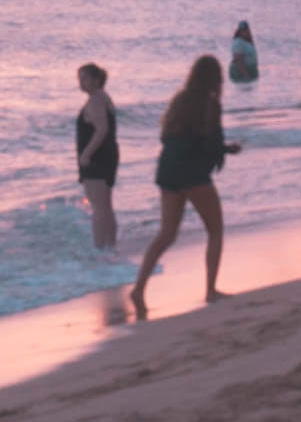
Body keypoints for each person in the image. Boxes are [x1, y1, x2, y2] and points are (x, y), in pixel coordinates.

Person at [130, 56, 241, 318]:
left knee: (166, 234)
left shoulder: (179, 101)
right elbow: (210, 143)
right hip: (193, 175)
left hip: (168, 172)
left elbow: (167, 136)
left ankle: (139, 288)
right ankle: (211, 290)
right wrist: (228, 149)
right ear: (215, 78)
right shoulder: (210, 104)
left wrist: (216, 148)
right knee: (215, 230)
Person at [75, 63, 120, 251]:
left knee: (99, 208)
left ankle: (101, 251)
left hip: (97, 160)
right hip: (107, 156)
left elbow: (102, 129)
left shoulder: (96, 100)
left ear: (94, 80)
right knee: (105, 206)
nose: (80, 83)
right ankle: (110, 249)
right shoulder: (104, 98)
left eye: (83, 78)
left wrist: (86, 154)